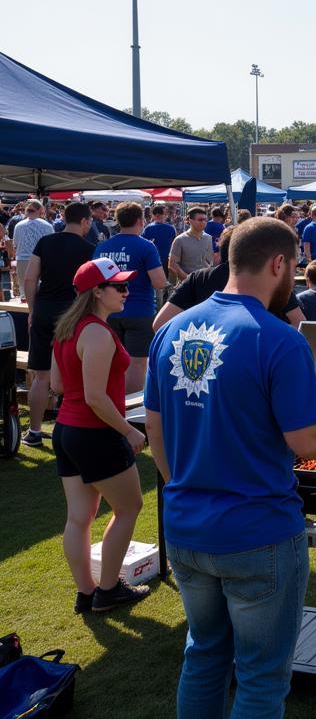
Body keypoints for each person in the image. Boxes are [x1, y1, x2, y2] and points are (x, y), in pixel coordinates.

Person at [145, 217, 316, 717]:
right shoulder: (280, 338)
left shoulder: (170, 329)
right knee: (262, 676)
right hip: (259, 534)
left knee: (203, 655)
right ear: (278, 264)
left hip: (184, 527)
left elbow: (154, 431)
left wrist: (180, 484)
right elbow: (306, 439)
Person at [51, 257, 151, 614]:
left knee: (79, 517)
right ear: (96, 292)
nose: (127, 292)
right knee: (129, 507)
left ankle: (87, 592)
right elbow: (95, 396)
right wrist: (127, 430)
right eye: (119, 286)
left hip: (67, 430)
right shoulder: (96, 332)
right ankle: (108, 589)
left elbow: (58, 384)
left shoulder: (66, 329)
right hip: (95, 432)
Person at [21, 202, 95, 448]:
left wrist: (32, 310)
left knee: (41, 376)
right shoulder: (89, 248)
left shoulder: (46, 242)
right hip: (72, 314)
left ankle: (34, 431)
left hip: (44, 310)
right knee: (75, 375)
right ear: (84, 221)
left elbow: (30, 278)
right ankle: (72, 427)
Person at [154, 226, 306, 330]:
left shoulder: (198, 278)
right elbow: (301, 324)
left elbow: (160, 324)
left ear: (221, 251)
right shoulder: (270, 280)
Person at [95, 203, 168, 393]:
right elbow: (159, 281)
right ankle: (128, 411)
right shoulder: (146, 246)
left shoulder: (102, 247)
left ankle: (110, 402)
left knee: (111, 362)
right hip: (139, 311)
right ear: (139, 221)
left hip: (107, 311)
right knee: (137, 364)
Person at [12, 199, 53, 300]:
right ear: (40, 210)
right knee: (41, 288)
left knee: (24, 290)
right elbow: (52, 245)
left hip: (23, 259)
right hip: (41, 259)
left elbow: (15, 245)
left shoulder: (18, 226)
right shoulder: (47, 226)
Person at [169, 207, 214, 281]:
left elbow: (209, 262)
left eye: (205, 220)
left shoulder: (208, 238)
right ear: (190, 220)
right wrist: (189, 280)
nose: (203, 222)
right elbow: (172, 265)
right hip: (187, 284)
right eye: (200, 220)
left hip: (204, 282)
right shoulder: (180, 240)